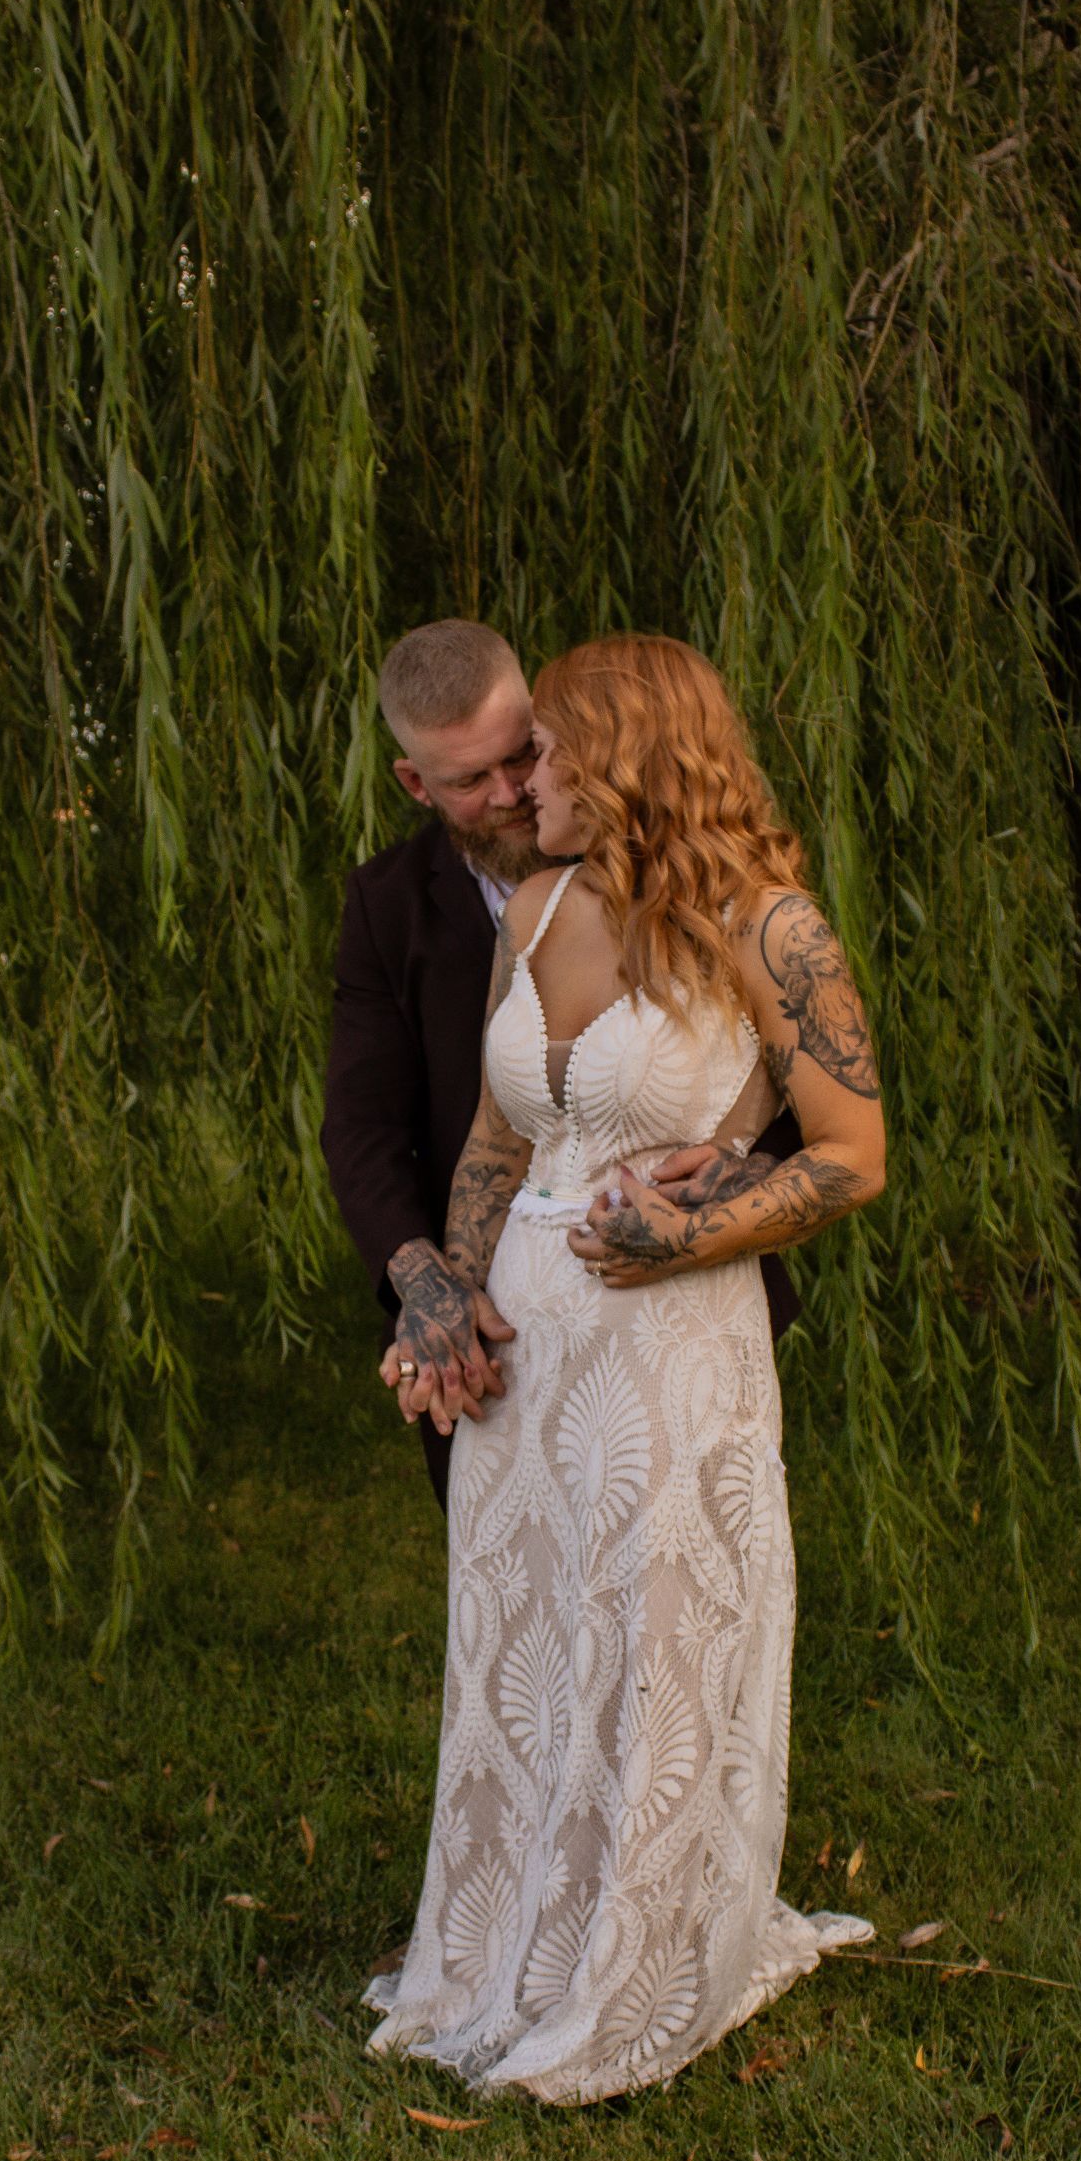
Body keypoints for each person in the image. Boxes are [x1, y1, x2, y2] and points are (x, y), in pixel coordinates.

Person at [363, 635, 887, 2103]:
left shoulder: (772, 928)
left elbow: (853, 1157)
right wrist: (445, 1309)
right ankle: (506, 1944)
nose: (529, 783)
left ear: (637, 765)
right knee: (528, 1647)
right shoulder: (531, 909)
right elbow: (494, 1139)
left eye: (556, 759)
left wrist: (698, 1223)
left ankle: (645, 1959)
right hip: (529, 1360)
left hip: (671, 1346)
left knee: (658, 1644)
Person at [321, 618, 803, 1508]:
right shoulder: (387, 906)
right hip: (493, 1331)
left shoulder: (708, 887)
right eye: (471, 780)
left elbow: (785, 1070)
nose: (512, 792)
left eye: (523, 755)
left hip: (674, 1302)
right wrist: (430, 1288)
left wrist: (749, 1172)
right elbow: (366, 1125)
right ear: (415, 783)